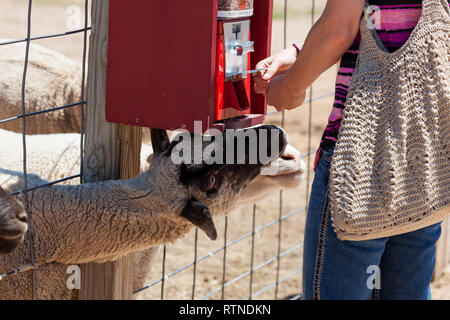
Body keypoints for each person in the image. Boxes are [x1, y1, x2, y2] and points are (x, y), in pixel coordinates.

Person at [254, 0, 449, 299]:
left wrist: (289, 89)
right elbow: (383, 21)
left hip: (361, 160)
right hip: (424, 159)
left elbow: (338, 31)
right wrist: (297, 53)